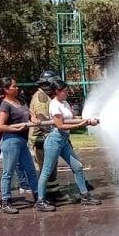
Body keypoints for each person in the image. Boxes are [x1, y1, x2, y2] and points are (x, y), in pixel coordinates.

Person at [35, 81, 101, 212]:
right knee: (47, 171)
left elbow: (73, 117)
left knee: (77, 166)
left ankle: (85, 196)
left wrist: (88, 120)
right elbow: (60, 125)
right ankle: (40, 201)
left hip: (64, 140)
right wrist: (80, 125)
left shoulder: (64, 103)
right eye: (65, 91)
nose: (67, 93)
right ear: (57, 92)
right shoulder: (54, 105)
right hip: (55, 139)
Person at [0, 77, 41, 215]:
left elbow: (29, 115)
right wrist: (16, 129)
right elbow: (0, 126)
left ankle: (39, 198)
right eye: (13, 86)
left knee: (31, 170)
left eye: (16, 85)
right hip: (11, 141)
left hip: (22, 141)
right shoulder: (5, 105)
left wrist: (34, 120)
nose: (17, 88)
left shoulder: (20, 100)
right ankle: (6, 202)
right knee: (8, 172)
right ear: (6, 90)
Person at [30, 73, 64, 202]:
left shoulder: (45, 96)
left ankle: (54, 193)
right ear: (46, 84)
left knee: (51, 167)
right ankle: (44, 197)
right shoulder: (41, 97)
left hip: (45, 137)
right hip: (40, 138)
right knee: (47, 168)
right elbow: (42, 118)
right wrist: (55, 130)